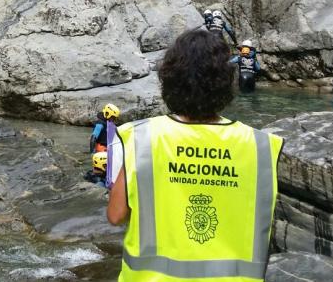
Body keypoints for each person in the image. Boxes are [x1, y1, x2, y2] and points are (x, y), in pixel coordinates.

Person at [106, 29, 283, 281]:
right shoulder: (260, 146)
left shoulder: (143, 138)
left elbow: (115, 215)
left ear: (170, 80)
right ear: (225, 82)